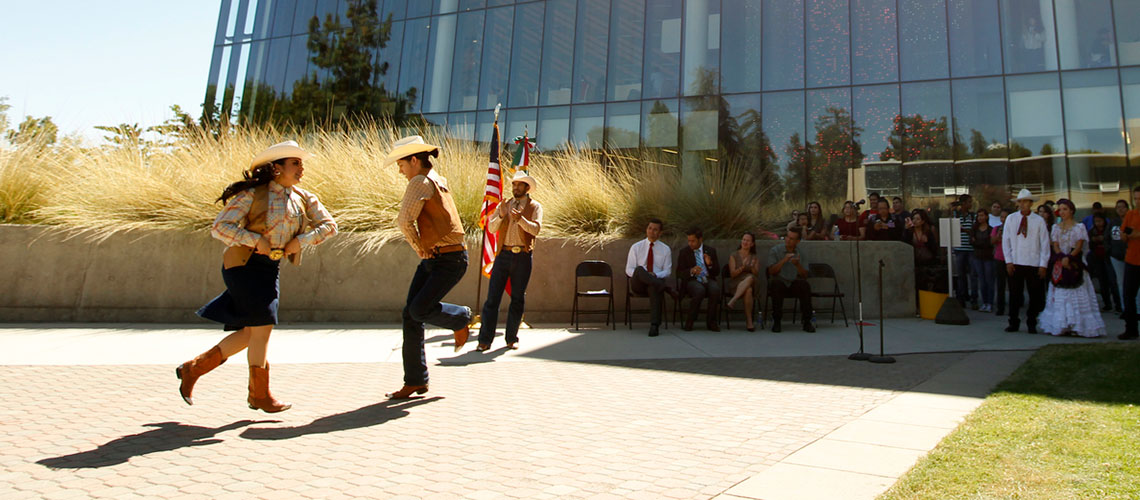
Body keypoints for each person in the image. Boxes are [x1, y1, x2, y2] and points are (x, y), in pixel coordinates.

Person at [183, 140, 338, 413]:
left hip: (270, 268)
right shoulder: (252, 196)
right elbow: (220, 228)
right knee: (262, 327)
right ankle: (259, 395)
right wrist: (254, 240)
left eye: (301, 163)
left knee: (252, 332)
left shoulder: (304, 198)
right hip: (243, 266)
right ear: (277, 168)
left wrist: (302, 241)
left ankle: (193, 369)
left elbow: (329, 226)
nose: (301, 168)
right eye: (295, 163)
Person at [387, 136, 474, 399]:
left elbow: (404, 221)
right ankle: (416, 380)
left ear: (414, 160)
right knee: (410, 315)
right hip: (441, 258)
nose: (399, 170)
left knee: (418, 309)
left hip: (446, 259)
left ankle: (461, 318)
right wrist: (425, 251)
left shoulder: (420, 181)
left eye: (401, 163)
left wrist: (418, 247)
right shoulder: (438, 179)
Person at [476, 171, 543, 352]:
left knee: (517, 298)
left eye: (519, 185)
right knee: (492, 299)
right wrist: (501, 214)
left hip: (522, 256)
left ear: (526, 188)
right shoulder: (503, 205)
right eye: (514, 185)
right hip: (503, 255)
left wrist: (521, 220)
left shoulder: (535, 206)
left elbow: (536, 230)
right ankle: (484, 340)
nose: (515, 188)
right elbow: (490, 227)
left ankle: (512, 338)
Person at [1038, 199, 1106, 337]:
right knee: (1060, 295)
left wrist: (1069, 257)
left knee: (1077, 293)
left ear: (1072, 211)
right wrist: (1061, 256)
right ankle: (1062, 325)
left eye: (1065, 209)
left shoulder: (1079, 227)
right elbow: (1055, 245)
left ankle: (1078, 325)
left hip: (1075, 263)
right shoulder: (1056, 228)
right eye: (1060, 209)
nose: (1062, 212)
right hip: (1060, 263)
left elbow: (1079, 246)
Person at [1002, 189, 1050, 334]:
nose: (1022, 204)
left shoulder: (1038, 221)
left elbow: (1044, 244)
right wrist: (1008, 261)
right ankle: (1013, 321)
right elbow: (1006, 241)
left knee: (1035, 295)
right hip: (1016, 262)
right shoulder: (1011, 219)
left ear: (1030, 203)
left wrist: (1043, 264)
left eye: (1025, 202)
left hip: (1033, 262)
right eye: (1020, 202)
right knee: (1015, 294)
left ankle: (1031, 321)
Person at [625, 218, 678, 337]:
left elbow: (667, 271)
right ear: (646, 229)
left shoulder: (665, 249)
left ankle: (654, 326)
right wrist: (644, 275)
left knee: (654, 286)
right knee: (639, 269)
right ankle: (665, 288)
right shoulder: (636, 247)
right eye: (649, 228)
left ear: (660, 233)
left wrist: (655, 275)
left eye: (655, 230)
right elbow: (629, 270)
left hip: (654, 283)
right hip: (638, 284)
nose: (651, 231)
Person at [767, 228, 814, 332]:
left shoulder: (801, 253)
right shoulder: (775, 250)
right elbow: (771, 272)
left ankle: (807, 322)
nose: (788, 240)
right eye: (787, 237)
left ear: (797, 241)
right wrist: (784, 260)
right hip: (780, 281)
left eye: (792, 239)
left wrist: (797, 265)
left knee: (805, 286)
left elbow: (805, 275)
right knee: (776, 284)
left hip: (794, 282)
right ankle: (777, 321)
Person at [677, 227, 721, 331]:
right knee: (699, 290)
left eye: (693, 241)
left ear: (700, 239)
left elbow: (717, 272)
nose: (690, 244)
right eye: (689, 241)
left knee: (715, 289)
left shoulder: (710, 251)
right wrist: (691, 271)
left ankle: (711, 322)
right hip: (692, 280)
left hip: (707, 278)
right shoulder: (684, 252)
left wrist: (710, 264)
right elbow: (678, 273)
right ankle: (690, 321)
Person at [904, 208, 939, 312]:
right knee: (915, 284)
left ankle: (925, 306)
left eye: (918, 219)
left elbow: (934, 248)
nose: (915, 221)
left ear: (923, 221)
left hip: (927, 262)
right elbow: (904, 243)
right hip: (915, 262)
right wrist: (906, 230)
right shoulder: (910, 232)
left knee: (925, 284)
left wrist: (927, 242)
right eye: (913, 219)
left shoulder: (928, 232)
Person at [1087, 213, 1121, 313]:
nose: (1098, 223)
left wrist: (1104, 241)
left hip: (1108, 257)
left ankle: (1118, 304)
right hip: (1097, 258)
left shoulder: (1108, 229)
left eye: (1099, 221)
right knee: (1102, 282)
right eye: (1096, 221)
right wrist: (1094, 240)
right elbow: (1089, 243)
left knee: (1113, 281)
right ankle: (1107, 303)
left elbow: (1110, 241)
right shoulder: (1092, 231)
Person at [726, 232, 761, 331]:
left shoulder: (754, 257)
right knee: (748, 290)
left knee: (750, 278)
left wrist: (750, 267)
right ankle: (749, 322)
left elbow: (756, 273)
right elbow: (732, 274)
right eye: (744, 240)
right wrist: (742, 267)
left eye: (748, 240)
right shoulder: (734, 255)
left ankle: (733, 300)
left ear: (752, 244)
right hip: (736, 283)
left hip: (751, 280)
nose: (745, 242)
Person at [1119, 186, 1140, 340]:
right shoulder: (1131, 214)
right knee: (1128, 295)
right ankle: (1131, 329)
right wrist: (1127, 235)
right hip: (1132, 259)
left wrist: (1136, 234)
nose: (1138, 201)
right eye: (1136, 198)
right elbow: (1123, 233)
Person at [952, 194, 977, 309]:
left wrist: (964, 229)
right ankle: (962, 297)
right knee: (961, 275)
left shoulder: (973, 216)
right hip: (959, 248)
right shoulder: (955, 215)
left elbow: (974, 231)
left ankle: (974, 299)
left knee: (973, 275)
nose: (970, 204)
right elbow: (952, 228)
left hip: (970, 249)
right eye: (968, 202)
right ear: (962, 204)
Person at [969, 208, 996, 312]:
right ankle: (984, 302)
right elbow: (971, 241)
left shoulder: (990, 229)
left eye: (982, 215)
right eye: (979, 215)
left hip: (988, 258)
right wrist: (980, 243)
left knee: (989, 280)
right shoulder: (974, 229)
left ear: (987, 216)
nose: (980, 217)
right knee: (982, 280)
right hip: (977, 257)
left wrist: (979, 243)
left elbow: (989, 243)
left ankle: (990, 302)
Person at [1109, 199, 1130, 313]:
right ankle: (1124, 308)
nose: (1120, 209)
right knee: (1121, 283)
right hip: (1116, 257)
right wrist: (1110, 251)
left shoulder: (1131, 220)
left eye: (1123, 207)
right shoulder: (1113, 222)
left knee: (1134, 284)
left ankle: (1137, 308)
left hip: (1132, 256)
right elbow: (1107, 237)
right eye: (1118, 207)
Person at [993, 208, 1011, 316]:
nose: (1003, 219)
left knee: (1012, 284)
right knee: (1000, 285)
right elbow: (992, 241)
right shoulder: (996, 228)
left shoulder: (1013, 229)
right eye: (1002, 217)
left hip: (1011, 259)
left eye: (1005, 217)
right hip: (999, 258)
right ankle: (1000, 307)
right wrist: (998, 235)